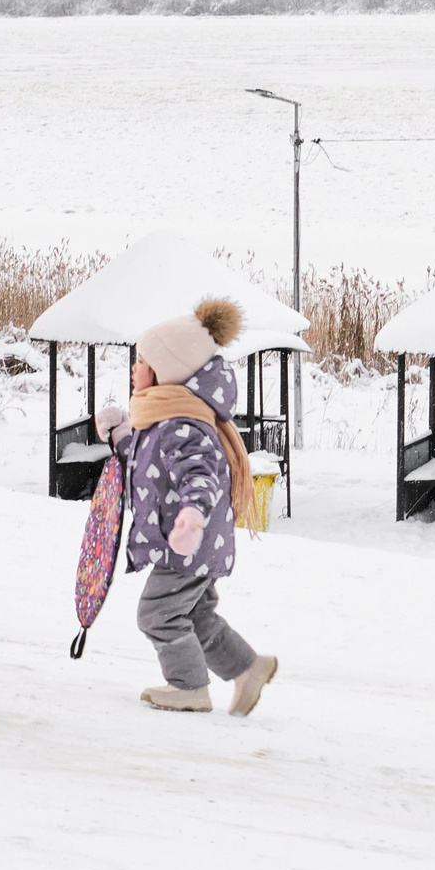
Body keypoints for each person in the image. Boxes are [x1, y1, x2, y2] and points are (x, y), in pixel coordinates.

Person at [94, 297, 279, 715]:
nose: (134, 369)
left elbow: (201, 474)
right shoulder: (168, 416)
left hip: (186, 542)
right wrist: (121, 434)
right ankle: (249, 669)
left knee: (157, 612)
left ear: (164, 371)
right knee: (195, 617)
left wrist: (192, 518)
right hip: (191, 542)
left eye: (141, 362)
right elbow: (147, 465)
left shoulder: (183, 423)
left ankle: (188, 686)